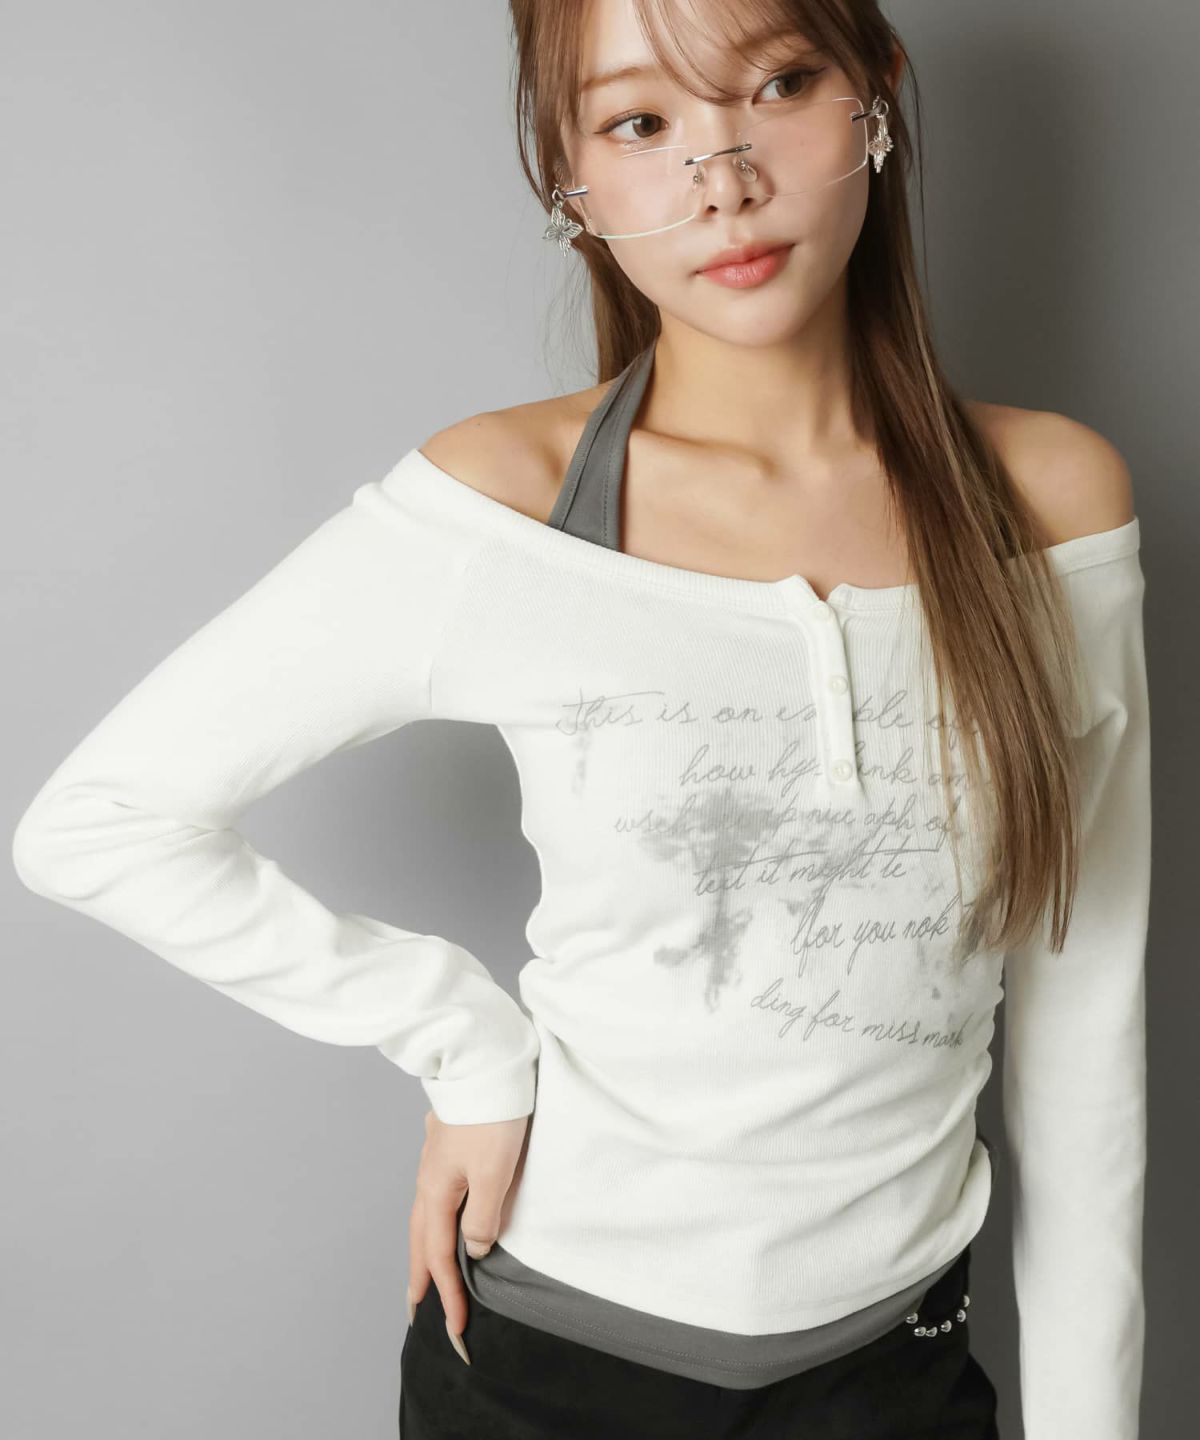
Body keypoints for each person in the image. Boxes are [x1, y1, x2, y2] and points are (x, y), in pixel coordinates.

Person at [11, 1, 1150, 1438]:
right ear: (572, 181)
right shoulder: (503, 513)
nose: (722, 179)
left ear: (876, 95)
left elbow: (1087, 1039)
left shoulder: (1049, 504)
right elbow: (99, 822)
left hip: (897, 1379)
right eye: (642, 123)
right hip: (545, 1371)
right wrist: (461, 1045)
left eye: (779, 84)